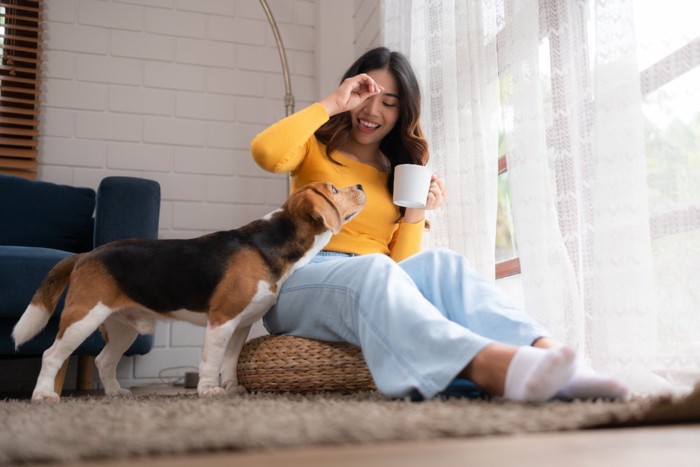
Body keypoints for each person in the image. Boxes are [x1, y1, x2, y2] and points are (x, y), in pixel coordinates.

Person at [250, 47, 628, 402]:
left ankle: (554, 358)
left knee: (445, 265)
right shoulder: (313, 146)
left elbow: (400, 274)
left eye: (389, 102)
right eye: (365, 94)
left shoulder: (395, 171)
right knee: (373, 269)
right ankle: (490, 367)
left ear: (402, 112)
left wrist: (416, 213)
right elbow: (266, 153)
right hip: (299, 277)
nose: (372, 109)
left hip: (369, 277)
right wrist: (332, 102)